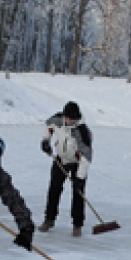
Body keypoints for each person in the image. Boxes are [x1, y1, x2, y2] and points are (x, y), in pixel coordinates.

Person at [38, 101, 93, 237]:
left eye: (72, 119)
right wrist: (45, 141)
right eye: (68, 118)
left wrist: (79, 178)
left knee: (78, 193)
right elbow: (48, 126)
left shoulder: (82, 131)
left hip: (77, 163)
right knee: (54, 189)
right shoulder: (57, 120)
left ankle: (77, 224)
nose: (69, 121)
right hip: (61, 159)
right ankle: (49, 219)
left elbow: (86, 157)